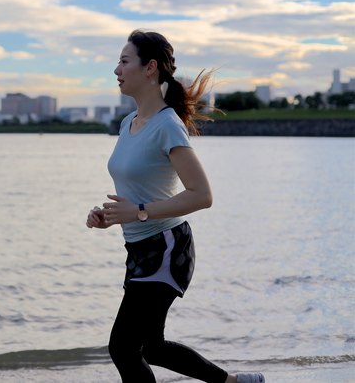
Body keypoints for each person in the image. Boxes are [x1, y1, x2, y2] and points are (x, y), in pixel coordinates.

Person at [86, 30, 265, 383]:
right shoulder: (128, 124)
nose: (116, 70)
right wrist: (110, 217)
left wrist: (138, 211)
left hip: (167, 247)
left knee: (123, 348)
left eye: (124, 61)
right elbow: (139, 187)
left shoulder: (168, 125)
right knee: (150, 347)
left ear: (150, 68)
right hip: (139, 247)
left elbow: (201, 195)